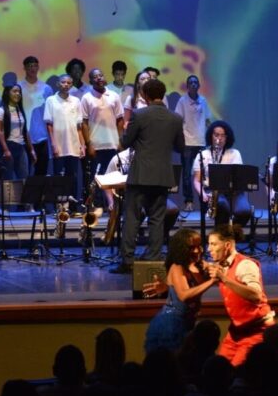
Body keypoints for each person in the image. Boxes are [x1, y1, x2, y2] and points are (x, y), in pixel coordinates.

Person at [113, 79, 185, 272]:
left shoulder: (139, 114)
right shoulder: (175, 118)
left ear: (144, 95)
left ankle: (128, 261)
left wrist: (126, 134)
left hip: (141, 174)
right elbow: (180, 147)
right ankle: (153, 257)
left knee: (132, 218)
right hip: (162, 175)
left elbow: (126, 142)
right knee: (157, 219)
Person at [206, 224, 275, 367]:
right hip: (236, 332)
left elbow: (256, 295)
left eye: (213, 244)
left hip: (256, 331)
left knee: (236, 372)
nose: (209, 249)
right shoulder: (222, 264)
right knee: (218, 368)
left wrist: (224, 279)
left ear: (227, 245)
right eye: (209, 244)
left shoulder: (245, 265)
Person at [143, 229, 216, 354]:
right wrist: (211, 281)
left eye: (199, 246)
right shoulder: (177, 267)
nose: (197, 250)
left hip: (189, 322)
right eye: (192, 247)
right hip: (171, 324)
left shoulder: (199, 265)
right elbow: (183, 295)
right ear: (182, 249)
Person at [193, 120, 251, 226]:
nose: (219, 138)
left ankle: (230, 236)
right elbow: (197, 180)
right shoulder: (202, 155)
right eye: (216, 135)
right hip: (212, 191)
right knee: (222, 206)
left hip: (233, 192)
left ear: (227, 138)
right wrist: (202, 193)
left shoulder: (235, 153)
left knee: (245, 211)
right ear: (211, 136)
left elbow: (239, 177)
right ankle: (221, 238)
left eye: (223, 135)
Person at [80, 67, 125, 189]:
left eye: (101, 75)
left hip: (112, 144)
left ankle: (111, 205)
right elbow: (84, 123)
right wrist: (89, 144)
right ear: (90, 81)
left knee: (113, 176)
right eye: (95, 76)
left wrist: (119, 140)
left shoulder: (114, 96)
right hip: (96, 145)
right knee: (97, 176)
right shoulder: (86, 98)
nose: (99, 78)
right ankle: (97, 205)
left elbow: (120, 120)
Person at [44, 74, 85, 199]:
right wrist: (53, 143)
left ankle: (71, 205)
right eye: (63, 82)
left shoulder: (76, 101)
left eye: (68, 83)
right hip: (59, 144)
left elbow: (79, 127)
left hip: (73, 144)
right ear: (58, 84)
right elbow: (49, 124)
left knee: (72, 175)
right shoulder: (51, 100)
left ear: (71, 85)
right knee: (58, 175)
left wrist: (82, 145)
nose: (66, 85)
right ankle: (59, 205)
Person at [174, 75, 211, 211]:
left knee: (203, 173)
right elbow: (178, 120)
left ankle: (205, 200)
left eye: (196, 82)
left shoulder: (203, 100)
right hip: (187, 142)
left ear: (199, 85)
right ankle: (188, 201)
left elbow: (207, 120)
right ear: (187, 85)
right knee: (187, 173)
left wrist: (210, 136)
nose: (193, 84)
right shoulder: (182, 101)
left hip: (201, 142)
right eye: (191, 82)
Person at [0, 84, 37, 180]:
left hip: (20, 147)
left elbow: (25, 131)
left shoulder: (20, 111)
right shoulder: (0, 110)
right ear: (7, 93)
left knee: (24, 177)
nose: (17, 94)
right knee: (8, 179)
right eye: (14, 91)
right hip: (8, 146)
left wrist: (31, 150)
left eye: (19, 92)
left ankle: (22, 195)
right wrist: (6, 150)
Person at [19, 55, 53, 177]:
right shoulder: (19, 87)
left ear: (38, 67)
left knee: (41, 172)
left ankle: (41, 196)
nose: (32, 69)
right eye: (29, 66)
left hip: (43, 136)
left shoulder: (46, 88)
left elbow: (50, 113)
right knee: (25, 172)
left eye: (35, 66)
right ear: (24, 68)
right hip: (23, 136)